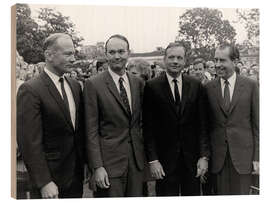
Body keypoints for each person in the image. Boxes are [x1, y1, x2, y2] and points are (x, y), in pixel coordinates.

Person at [17, 33, 86, 198]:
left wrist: (85, 165)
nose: (73, 58)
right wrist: (44, 182)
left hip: (75, 178)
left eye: (74, 54)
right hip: (50, 182)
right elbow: (29, 141)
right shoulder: (31, 90)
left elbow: (77, 131)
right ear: (48, 55)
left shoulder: (75, 86)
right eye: (67, 54)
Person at [143, 42, 210, 196]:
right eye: (171, 57)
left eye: (179, 58)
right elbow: (148, 128)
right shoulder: (152, 87)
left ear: (185, 61)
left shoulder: (196, 85)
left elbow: (202, 125)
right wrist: (153, 160)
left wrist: (204, 156)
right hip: (164, 162)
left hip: (192, 161)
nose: (175, 61)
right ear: (164, 59)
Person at [84, 34, 145, 197]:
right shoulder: (93, 84)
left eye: (121, 51)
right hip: (109, 164)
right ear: (106, 55)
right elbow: (91, 130)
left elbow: (139, 122)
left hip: (136, 162)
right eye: (111, 52)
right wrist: (97, 167)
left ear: (128, 53)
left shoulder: (137, 83)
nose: (117, 56)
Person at [204, 44, 259, 195]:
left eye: (222, 60)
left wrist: (257, 158)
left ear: (235, 61)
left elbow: (258, 126)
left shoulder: (251, 86)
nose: (217, 65)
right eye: (215, 60)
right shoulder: (208, 88)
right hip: (218, 160)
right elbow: (205, 127)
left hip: (243, 159)